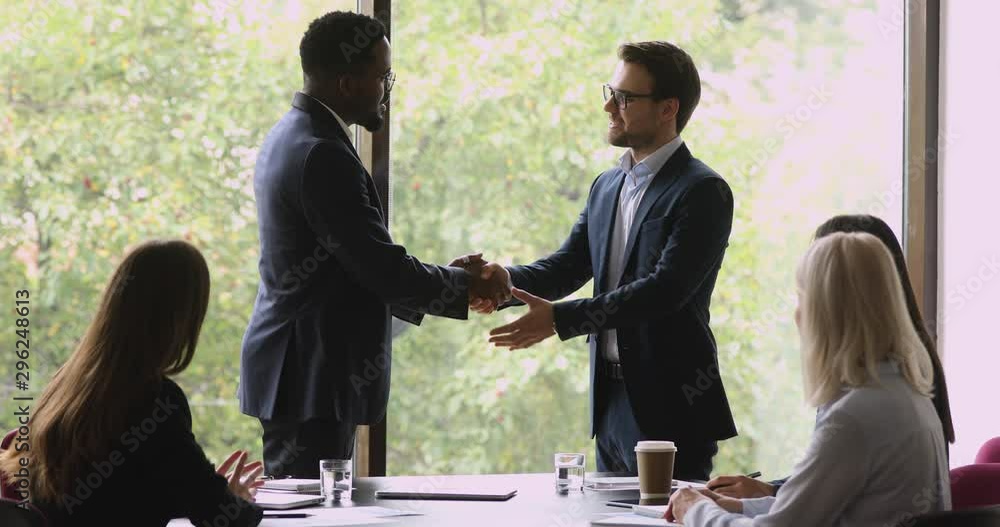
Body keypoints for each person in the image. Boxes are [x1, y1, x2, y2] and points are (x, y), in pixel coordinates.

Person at [239, 10, 509, 478]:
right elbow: (379, 268)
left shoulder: (292, 135)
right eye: (383, 76)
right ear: (347, 83)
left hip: (303, 371)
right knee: (310, 513)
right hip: (312, 376)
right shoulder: (322, 152)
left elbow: (353, 266)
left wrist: (447, 278)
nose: (388, 88)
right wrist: (465, 285)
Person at [482, 41, 737, 480]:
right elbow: (566, 267)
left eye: (623, 97)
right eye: (611, 92)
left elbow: (665, 291)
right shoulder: (607, 185)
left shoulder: (702, 191)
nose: (608, 106)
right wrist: (500, 281)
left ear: (666, 108)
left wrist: (560, 320)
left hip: (673, 406)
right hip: (610, 405)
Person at [667, 232, 951, 526]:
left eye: (802, 298)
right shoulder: (906, 394)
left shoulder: (854, 417)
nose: (797, 314)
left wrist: (695, 510)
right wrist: (737, 507)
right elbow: (813, 511)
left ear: (824, 312)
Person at [0, 240, 264, 526]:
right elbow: (221, 517)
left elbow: (115, 493)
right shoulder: (152, 399)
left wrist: (206, 491)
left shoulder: (67, 387)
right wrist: (234, 500)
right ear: (183, 318)